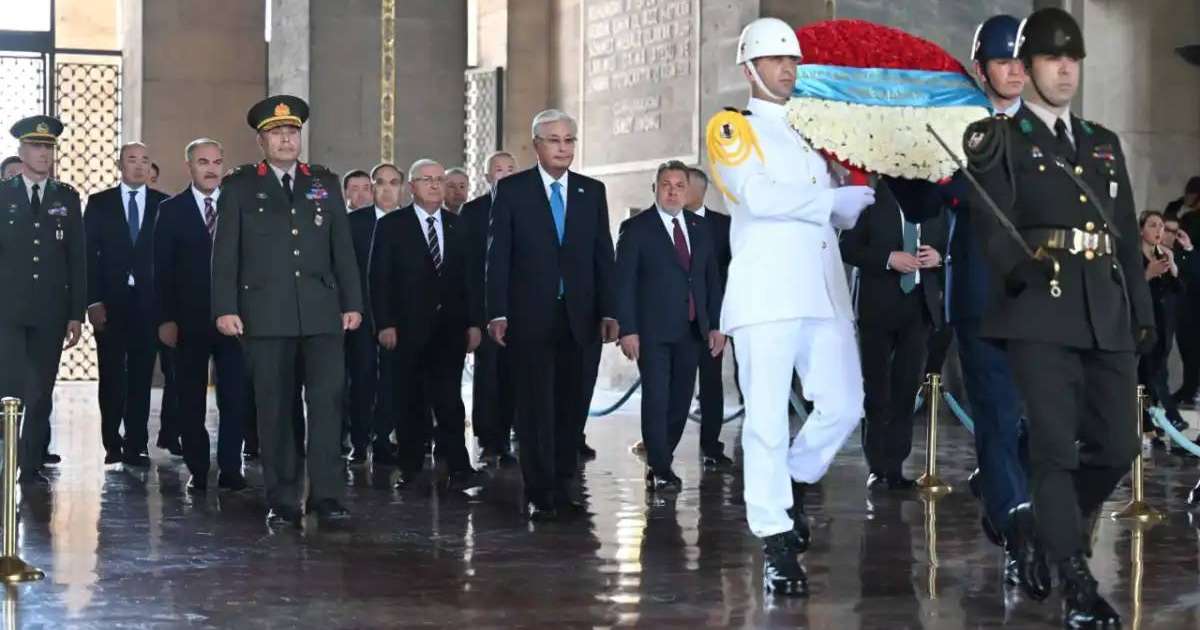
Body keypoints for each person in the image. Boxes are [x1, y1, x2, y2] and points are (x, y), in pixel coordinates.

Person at [963, 8, 1153, 626]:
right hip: (1038, 310)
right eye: (1050, 59)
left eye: (1072, 59)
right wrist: (1014, 269)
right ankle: (1077, 583)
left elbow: (1124, 236)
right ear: (1026, 68)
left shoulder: (1102, 141)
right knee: (1052, 451)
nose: (1064, 69)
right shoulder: (1002, 140)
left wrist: (1141, 312)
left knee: (1119, 442)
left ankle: (1047, 529)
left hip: (1105, 309)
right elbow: (992, 226)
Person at [707, 17, 875, 596]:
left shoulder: (812, 131)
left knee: (846, 404)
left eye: (794, 61)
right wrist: (830, 197)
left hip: (822, 290)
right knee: (766, 421)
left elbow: (834, 213)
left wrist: (851, 197)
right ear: (749, 67)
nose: (788, 70)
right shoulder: (732, 128)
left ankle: (794, 479)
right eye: (777, 60)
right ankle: (776, 538)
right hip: (767, 293)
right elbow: (755, 195)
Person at [211, 95, 363, 527]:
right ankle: (283, 498)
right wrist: (225, 307)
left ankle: (327, 496)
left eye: (292, 132)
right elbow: (225, 254)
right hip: (265, 314)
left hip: (321, 313)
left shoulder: (323, 182)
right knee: (275, 409)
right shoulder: (240, 186)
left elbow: (343, 250)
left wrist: (352, 302)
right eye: (277, 133)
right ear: (261, 140)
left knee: (328, 405)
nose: (286, 140)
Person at [486, 109, 618, 522]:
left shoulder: (591, 192)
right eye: (555, 140)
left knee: (571, 406)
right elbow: (499, 256)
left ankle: (564, 486)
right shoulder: (513, 190)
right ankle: (538, 491)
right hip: (529, 316)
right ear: (537, 145)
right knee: (535, 407)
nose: (564, 147)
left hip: (580, 318)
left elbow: (603, 254)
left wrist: (610, 310)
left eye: (569, 140)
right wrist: (497, 312)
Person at [959, 13, 1032, 576]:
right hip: (984, 297)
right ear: (982, 69)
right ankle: (1017, 531)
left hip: (1043, 302)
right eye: (1004, 61)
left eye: (1021, 60)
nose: (1015, 71)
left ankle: (1001, 489)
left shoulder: (1054, 131)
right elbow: (926, 204)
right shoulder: (960, 127)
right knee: (999, 414)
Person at [370, 159, 485, 489]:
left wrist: (475, 323)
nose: (435, 185)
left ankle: (458, 465)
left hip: (450, 329)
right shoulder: (392, 226)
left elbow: (473, 280)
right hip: (406, 329)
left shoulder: (458, 226)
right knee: (410, 399)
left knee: (450, 399)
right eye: (427, 180)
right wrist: (385, 324)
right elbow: (379, 279)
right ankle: (410, 464)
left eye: (440, 179)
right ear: (412, 187)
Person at [616, 160, 724, 492]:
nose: (673, 191)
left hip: (692, 330)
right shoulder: (636, 228)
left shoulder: (699, 227)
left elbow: (710, 280)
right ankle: (661, 467)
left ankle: (662, 456)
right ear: (656, 188)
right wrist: (627, 329)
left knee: (679, 401)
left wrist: (716, 326)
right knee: (657, 398)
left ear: (688, 191)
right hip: (651, 332)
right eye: (667, 185)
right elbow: (624, 284)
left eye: (680, 185)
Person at [153, 138, 249, 492]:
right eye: (203, 162)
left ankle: (230, 467)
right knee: (189, 399)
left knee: (234, 397)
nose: (211, 168)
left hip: (235, 321)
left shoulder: (237, 206)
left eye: (217, 162)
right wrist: (165, 319)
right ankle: (197, 465)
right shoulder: (172, 209)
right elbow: (161, 270)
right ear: (189, 166)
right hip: (187, 323)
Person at [841, 180, 947, 490]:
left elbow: (950, 245)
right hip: (877, 308)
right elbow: (847, 246)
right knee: (876, 390)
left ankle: (896, 466)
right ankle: (876, 466)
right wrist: (889, 258)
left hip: (919, 308)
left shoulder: (935, 201)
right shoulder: (872, 199)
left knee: (905, 390)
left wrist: (938, 258)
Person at [0, 116, 85, 484]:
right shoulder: (4, 195)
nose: (43, 153)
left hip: (50, 312)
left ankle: (30, 462)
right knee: (9, 390)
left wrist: (75, 313)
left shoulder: (66, 196)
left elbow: (76, 259)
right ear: (21, 151)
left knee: (40, 390)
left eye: (48, 147)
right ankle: (7, 455)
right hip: (8, 310)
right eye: (36, 146)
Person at [85, 141, 169, 466]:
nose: (139, 165)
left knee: (141, 375)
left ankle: (137, 443)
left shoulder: (164, 204)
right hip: (110, 303)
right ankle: (111, 442)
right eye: (132, 160)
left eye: (145, 160)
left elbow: (168, 260)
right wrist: (92, 301)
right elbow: (88, 256)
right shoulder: (99, 203)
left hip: (148, 305)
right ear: (120, 165)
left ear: (150, 168)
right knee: (111, 376)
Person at [461, 151, 518, 466]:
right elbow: (470, 267)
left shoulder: (528, 207)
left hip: (519, 307)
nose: (506, 175)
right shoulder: (473, 212)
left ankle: (508, 434)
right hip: (485, 307)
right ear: (487, 177)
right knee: (489, 373)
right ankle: (488, 436)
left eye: (511, 169)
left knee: (512, 374)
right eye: (499, 170)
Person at [344, 163, 401, 465]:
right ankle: (359, 439)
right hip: (362, 316)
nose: (387, 189)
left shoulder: (409, 221)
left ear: (402, 187)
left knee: (392, 381)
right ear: (372, 187)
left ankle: (383, 438)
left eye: (393, 183)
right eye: (380, 183)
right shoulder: (353, 223)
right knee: (362, 379)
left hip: (400, 318)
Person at [685, 167, 735, 469]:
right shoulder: (663, 222)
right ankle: (659, 446)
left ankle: (711, 447)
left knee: (712, 384)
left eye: (682, 185)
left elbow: (732, 272)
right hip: (673, 316)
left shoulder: (723, 226)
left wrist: (722, 321)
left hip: (712, 320)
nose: (674, 190)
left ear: (700, 191)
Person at [1137, 211, 1189, 433]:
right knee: (1150, 375)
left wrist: (1173, 268)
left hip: (1163, 326)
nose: (1158, 230)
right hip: (1143, 324)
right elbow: (1130, 289)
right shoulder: (1134, 258)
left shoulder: (1163, 256)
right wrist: (1148, 273)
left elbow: (1178, 290)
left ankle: (1154, 424)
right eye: (1153, 225)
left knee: (1156, 375)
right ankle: (1168, 419)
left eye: (1161, 226)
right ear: (1141, 230)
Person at [1169, 177, 1200, 408]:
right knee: (1186, 340)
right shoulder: (1186, 215)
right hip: (1186, 285)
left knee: (1191, 341)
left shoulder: (1192, 220)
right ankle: (1190, 386)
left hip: (1194, 285)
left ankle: (1192, 387)